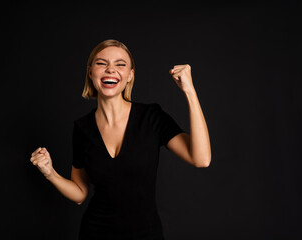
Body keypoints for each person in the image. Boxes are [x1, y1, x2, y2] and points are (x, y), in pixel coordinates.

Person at [30, 39, 211, 240]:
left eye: (120, 64)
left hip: (146, 234)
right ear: (90, 72)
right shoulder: (82, 128)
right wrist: (50, 173)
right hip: (95, 232)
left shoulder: (151, 117)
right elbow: (80, 194)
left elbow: (201, 159)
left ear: (130, 75)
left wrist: (190, 91)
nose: (110, 70)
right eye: (101, 63)